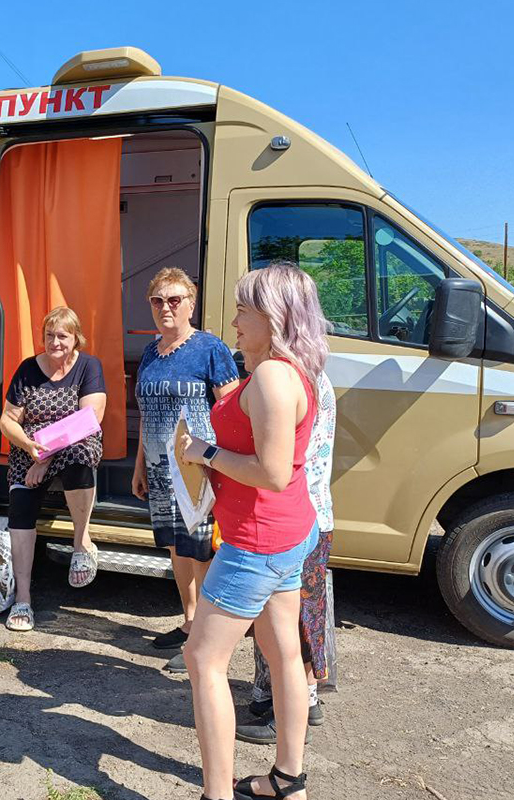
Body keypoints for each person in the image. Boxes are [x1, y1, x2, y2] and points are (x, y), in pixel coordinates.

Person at [180, 262, 330, 800]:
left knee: (203, 659)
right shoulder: (294, 369)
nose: (236, 319)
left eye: (245, 309)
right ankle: (288, 780)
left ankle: (215, 794)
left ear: (275, 316)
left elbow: (269, 471)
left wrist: (206, 454)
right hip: (290, 534)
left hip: (257, 541)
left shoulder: (270, 376)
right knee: (283, 651)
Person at [131, 267, 238, 662]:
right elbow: (145, 413)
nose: (166, 308)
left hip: (198, 472)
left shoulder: (210, 348)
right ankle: (190, 622)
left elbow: (230, 411)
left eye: (174, 299)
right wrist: (140, 465)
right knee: (176, 547)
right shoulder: (149, 352)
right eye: (158, 301)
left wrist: (222, 462)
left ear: (191, 303)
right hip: (160, 468)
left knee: (202, 551)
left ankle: (207, 641)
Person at [238, 356, 337, 745]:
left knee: (293, 622)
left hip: (295, 514)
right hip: (312, 511)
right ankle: (290, 700)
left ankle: (290, 712)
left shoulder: (286, 377)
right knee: (295, 615)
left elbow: (275, 461)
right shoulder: (310, 374)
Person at [0, 306, 107, 632]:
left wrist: (44, 459)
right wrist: (31, 449)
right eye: (49, 335)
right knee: (20, 510)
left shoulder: (89, 365)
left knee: (80, 458)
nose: (55, 341)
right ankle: (23, 599)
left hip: (68, 444)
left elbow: (90, 419)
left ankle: (81, 543)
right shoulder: (28, 369)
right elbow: (7, 420)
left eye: (62, 335)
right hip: (31, 450)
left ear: (75, 339)